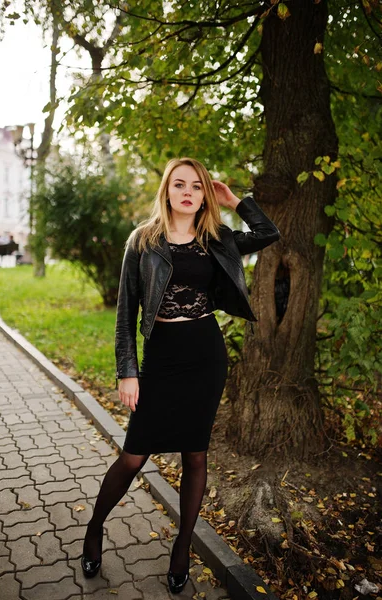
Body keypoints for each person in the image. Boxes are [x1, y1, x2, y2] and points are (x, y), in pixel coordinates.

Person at [81, 157, 280, 593]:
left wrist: (234, 201)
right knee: (134, 455)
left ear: (204, 194)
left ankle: (182, 547)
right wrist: (127, 372)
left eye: (197, 186)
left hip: (206, 356)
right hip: (161, 359)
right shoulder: (143, 241)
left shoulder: (217, 238)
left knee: (196, 455)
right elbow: (125, 313)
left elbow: (269, 233)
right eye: (179, 184)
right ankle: (95, 527)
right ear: (167, 191)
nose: (188, 192)